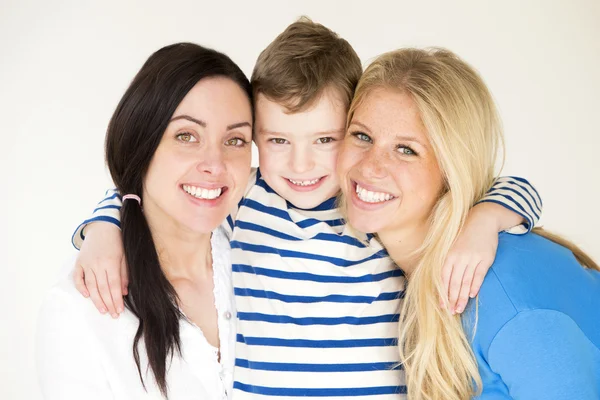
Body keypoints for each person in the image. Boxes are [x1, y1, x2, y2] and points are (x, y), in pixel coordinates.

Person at [68, 19, 541, 398]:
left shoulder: (372, 203)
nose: (300, 164)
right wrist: (103, 230)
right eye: (277, 141)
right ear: (253, 139)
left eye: (325, 140)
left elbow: (513, 189)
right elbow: (152, 198)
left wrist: (485, 219)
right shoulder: (241, 199)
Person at [337, 47, 600, 400]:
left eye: (406, 150)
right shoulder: (390, 261)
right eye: (362, 136)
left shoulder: (503, 299)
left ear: (451, 171)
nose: (370, 166)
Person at [36, 42, 254, 399]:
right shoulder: (79, 311)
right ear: (142, 141)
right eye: (186, 136)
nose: (215, 163)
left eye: (235, 140)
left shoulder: (269, 255)